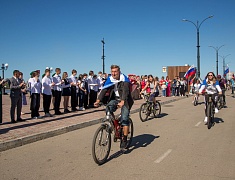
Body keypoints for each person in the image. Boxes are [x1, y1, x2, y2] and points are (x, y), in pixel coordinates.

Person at [94, 65, 134, 149]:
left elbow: (126, 91)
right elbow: (104, 89)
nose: (114, 73)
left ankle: (124, 139)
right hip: (115, 99)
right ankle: (114, 124)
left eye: (115, 71)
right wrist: (98, 100)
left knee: (125, 119)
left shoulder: (124, 79)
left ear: (119, 71)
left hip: (126, 100)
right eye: (112, 72)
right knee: (108, 108)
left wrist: (123, 101)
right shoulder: (110, 79)